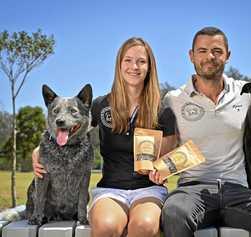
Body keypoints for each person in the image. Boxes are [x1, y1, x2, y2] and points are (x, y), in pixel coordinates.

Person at [156, 27, 251, 237]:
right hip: (191, 191)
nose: (210, 57)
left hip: (238, 192)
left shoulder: (246, 92)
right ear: (191, 55)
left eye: (217, 51)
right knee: (175, 214)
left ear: (228, 55)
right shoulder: (173, 99)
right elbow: (163, 149)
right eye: (202, 50)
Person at [32, 37, 176, 237]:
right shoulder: (101, 104)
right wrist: (38, 151)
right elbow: (71, 131)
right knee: (106, 227)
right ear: (119, 64)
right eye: (128, 60)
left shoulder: (162, 111)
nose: (134, 66)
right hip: (111, 190)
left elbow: (168, 159)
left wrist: (162, 170)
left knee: (143, 226)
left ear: (150, 67)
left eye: (141, 61)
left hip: (148, 191)